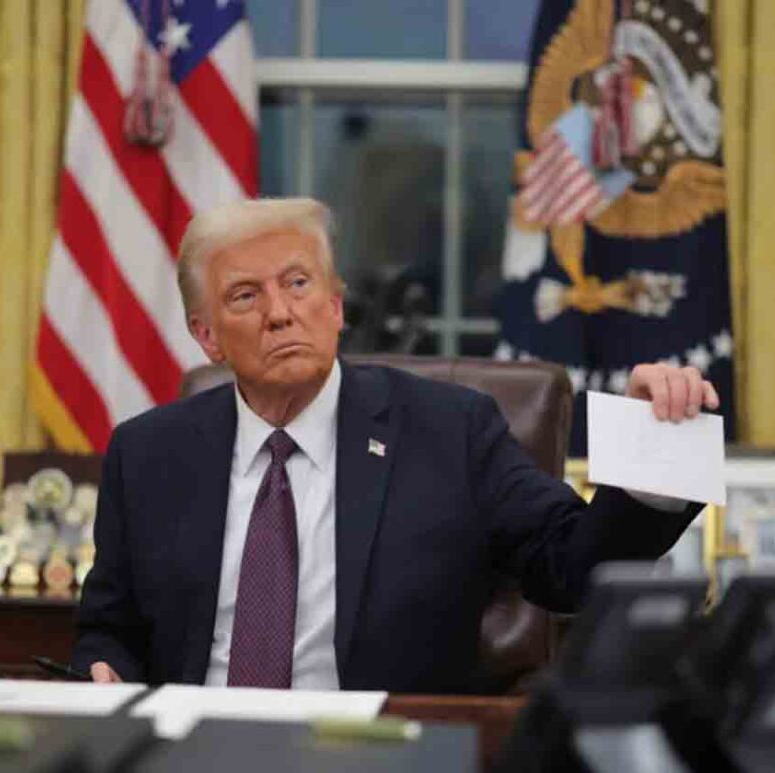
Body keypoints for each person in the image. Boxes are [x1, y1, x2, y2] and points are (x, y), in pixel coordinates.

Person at [72, 198, 719, 692]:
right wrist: (105, 669)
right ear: (207, 336)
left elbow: (572, 566)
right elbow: (109, 627)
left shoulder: (450, 431)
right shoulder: (148, 454)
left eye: (297, 284)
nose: (279, 312)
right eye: (246, 295)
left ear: (335, 306)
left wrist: (652, 449)